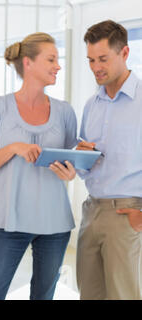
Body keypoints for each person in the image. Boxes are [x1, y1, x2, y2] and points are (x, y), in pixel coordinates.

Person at [0, 32, 78, 300]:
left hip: (55, 224)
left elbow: (70, 162)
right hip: (9, 223)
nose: (58, 65)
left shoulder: (65, 111)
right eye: (51, 59)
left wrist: (71, 172)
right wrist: (13, 148)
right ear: (28, 63)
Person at [76, 20, 142, 300]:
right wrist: (80, 157)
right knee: (89, 294)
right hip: (91, 210)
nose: (95, 67)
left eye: (103, 59)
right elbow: (84, 164)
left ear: (124, 53)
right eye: (91, 60)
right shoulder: (92, 105)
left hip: (127, 213)